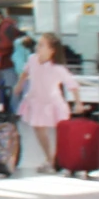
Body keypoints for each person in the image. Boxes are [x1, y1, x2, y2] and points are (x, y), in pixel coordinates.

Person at [14, 32, 81, 174]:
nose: (38, 48)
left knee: (61, 131)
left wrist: (78, 103)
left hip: (53, 102)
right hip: (36, 100)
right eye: (38, 44)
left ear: (52, 50)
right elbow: (25, 72)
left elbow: (72, 85)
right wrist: (19, 85)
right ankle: (49, 158)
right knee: (38, 129)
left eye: (42, 45)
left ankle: (61, 158)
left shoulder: (57, 68)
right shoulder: (32, 59)